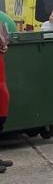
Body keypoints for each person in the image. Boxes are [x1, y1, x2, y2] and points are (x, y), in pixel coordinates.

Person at [0, 9, 16, 171]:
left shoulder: (1, 21)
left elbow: (6, 38)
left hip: (1, 80)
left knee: (2, 118)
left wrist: (4, 43)